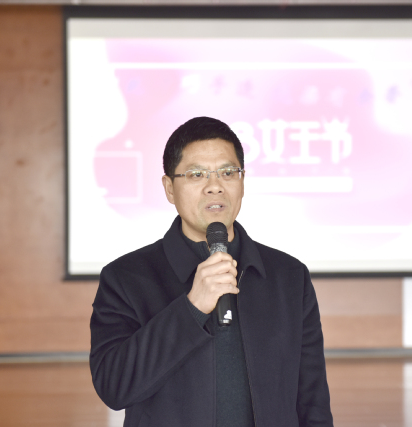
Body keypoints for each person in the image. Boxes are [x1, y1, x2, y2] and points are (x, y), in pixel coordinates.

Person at [89, 117, 334, 427]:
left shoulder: (288, 276)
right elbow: (114, 387)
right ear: (169, 188)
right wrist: (192, 308)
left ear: (242, 182)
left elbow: (312, 401)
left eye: (228, 173)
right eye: (196, 174)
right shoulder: (126, 278)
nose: (215, 186)